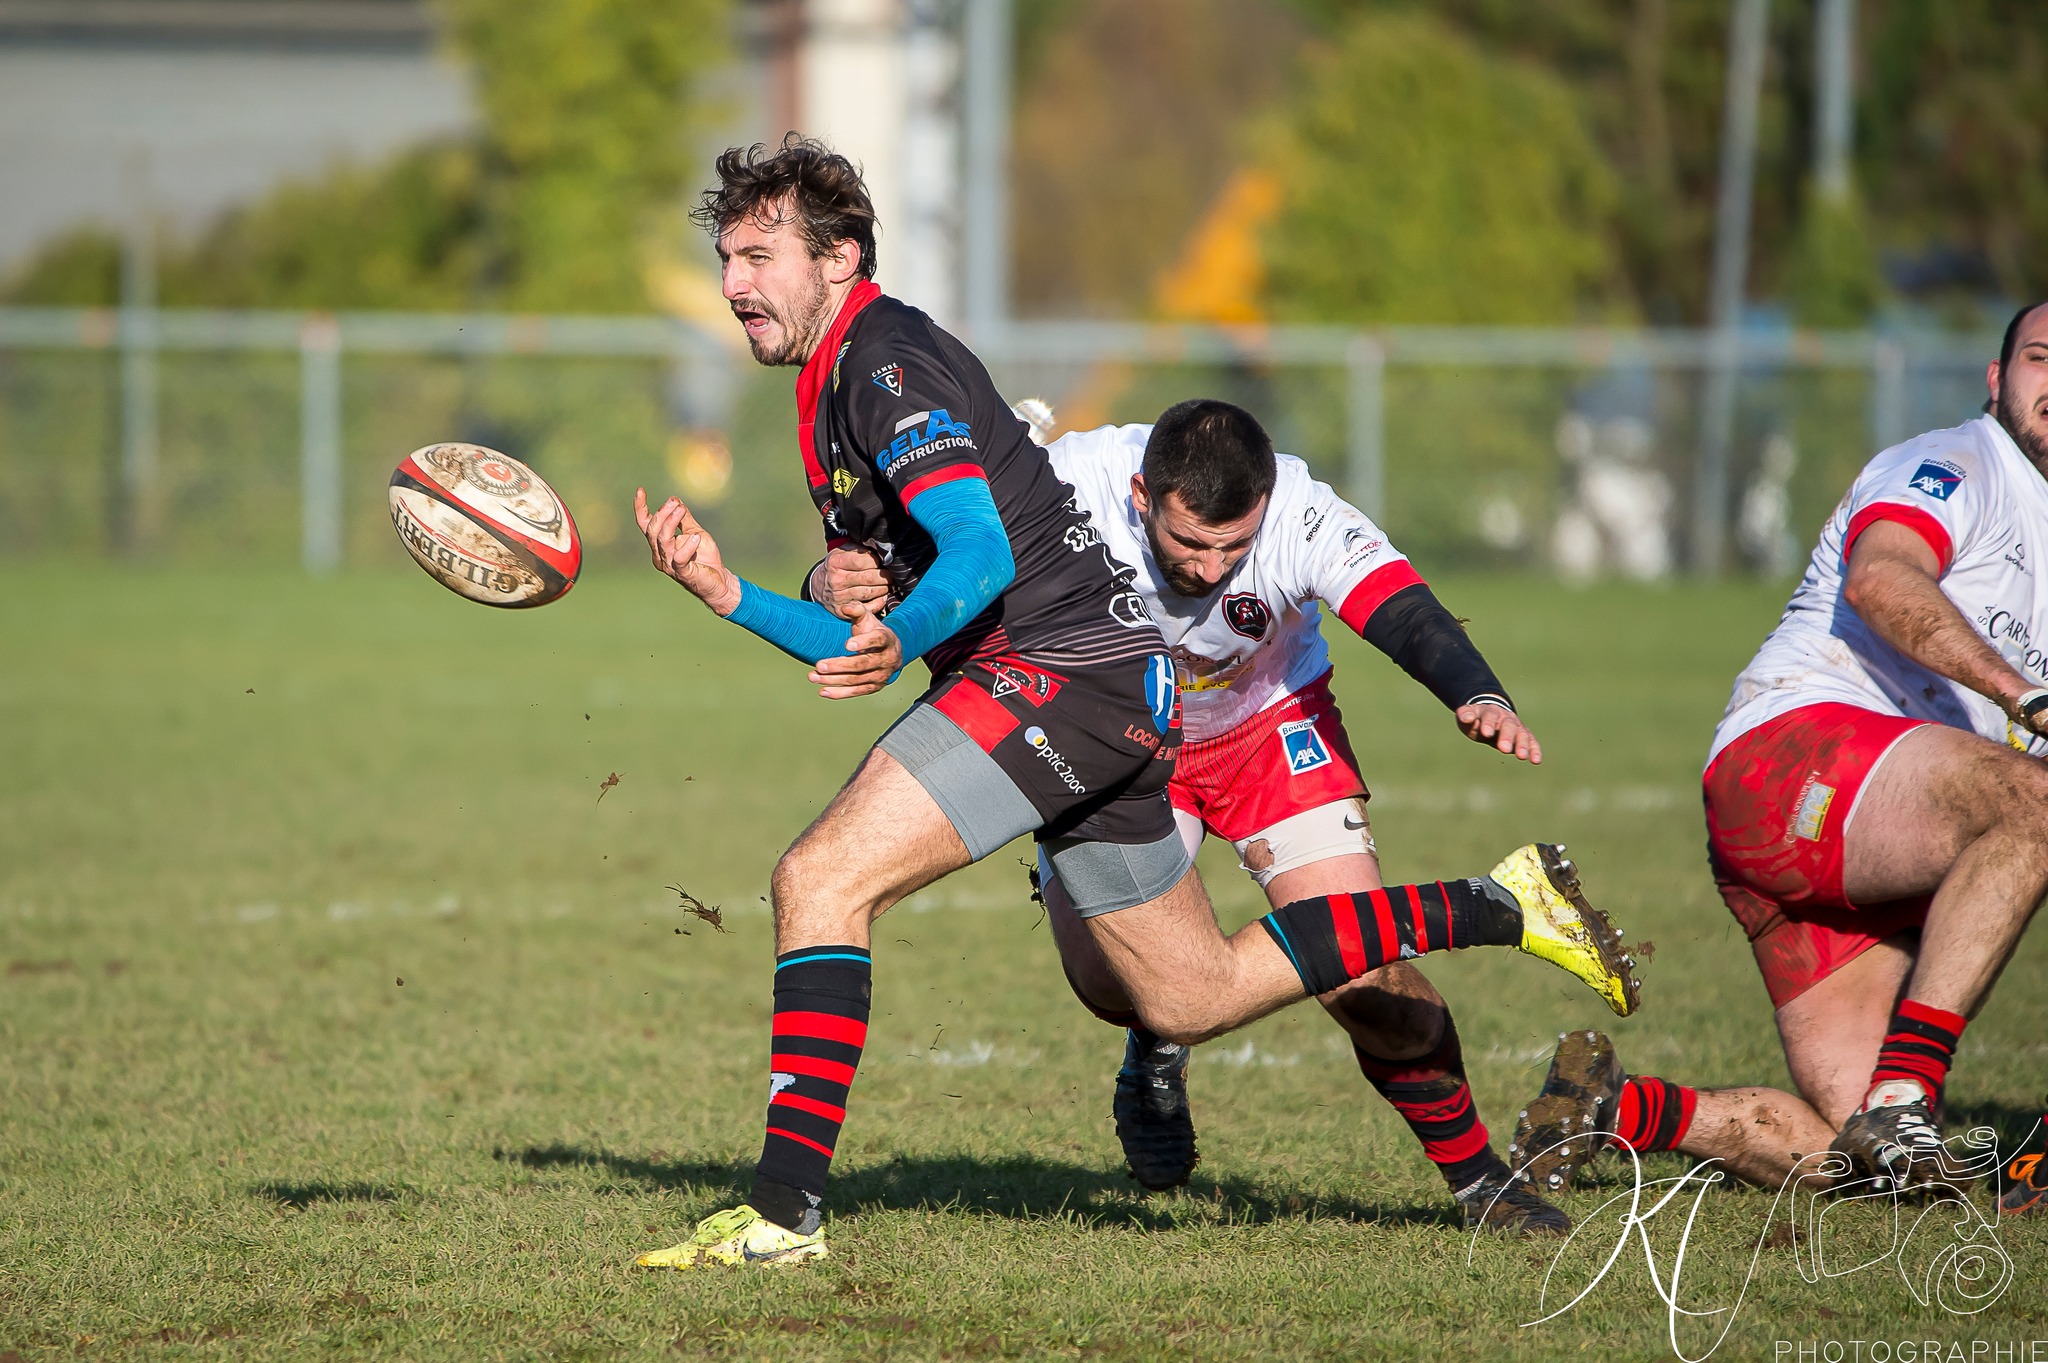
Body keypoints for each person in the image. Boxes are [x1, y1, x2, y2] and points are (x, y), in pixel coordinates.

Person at [630, 136, 1641, 1270]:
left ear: (840, 257)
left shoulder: (884, 363)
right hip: (1106, 683)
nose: (732, 284)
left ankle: (781, 1210)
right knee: (1187, 998)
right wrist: (730, 595)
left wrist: (903, 632)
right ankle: (1499, 902)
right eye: (726, 257)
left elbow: (971, 554)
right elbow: (856, 633)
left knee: (818, 877)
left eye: (758, 255)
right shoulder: (834, 388)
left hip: (1054, 673)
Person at [813, 402, 1590, 1233]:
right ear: (1143, 493)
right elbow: (917, 553)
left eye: (1235, 546)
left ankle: (1479, 1182)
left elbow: (1400, 606)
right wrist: (827, 582)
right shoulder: (1069, 479)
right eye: (1191, 543)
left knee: (1364, 974)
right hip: (1116, 731)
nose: (1214, 566)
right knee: (1109, 983)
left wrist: (1476, 691)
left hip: (1272, 727)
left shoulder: (1297, 506)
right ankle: (1155, 1040)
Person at [1507, 302, 2048, 1202]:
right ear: (1997, 380)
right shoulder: (1958, 462)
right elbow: (1882, 575)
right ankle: (1908, 1088)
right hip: (1797, 756)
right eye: (2042, 358)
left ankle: (1619, 1110)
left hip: (1858, 839)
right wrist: (2022, 694)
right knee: (2035, 802)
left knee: (1868, 1164)